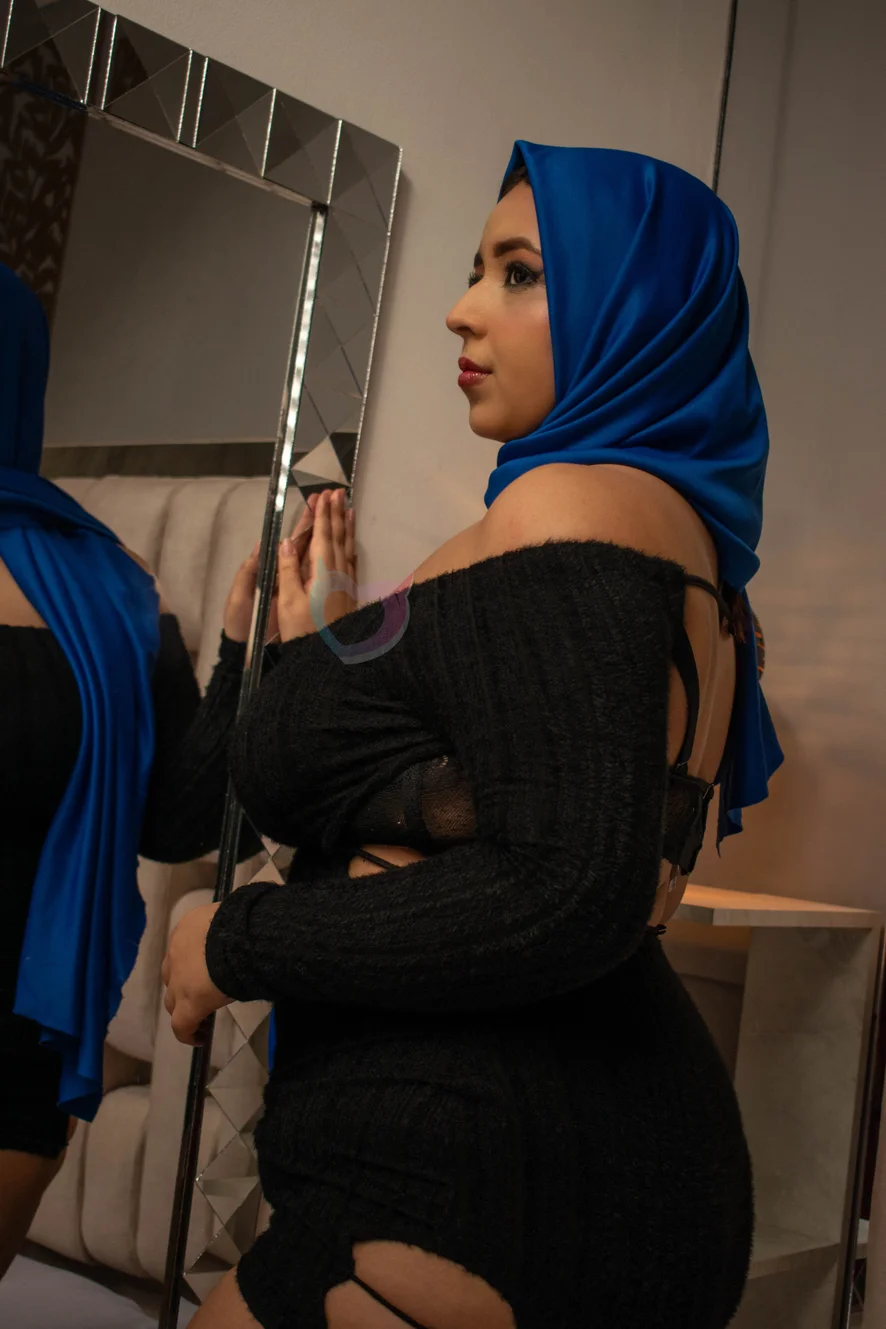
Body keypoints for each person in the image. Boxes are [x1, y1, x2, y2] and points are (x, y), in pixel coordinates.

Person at [162, 141, 784, 1329]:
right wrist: (323, 641)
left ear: (634, 306)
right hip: (553, 1145)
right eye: (474, 270)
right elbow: (481, 785)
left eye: (520, 273)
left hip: (467, 1159)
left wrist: (234, 939)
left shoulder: (569, 508)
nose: (462, 309)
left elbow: (566, 885)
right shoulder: (665, 546)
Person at [0, 260, 342, 1278]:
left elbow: (176, 823)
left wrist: (243, 653)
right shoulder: (107, 587)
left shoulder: (111, 588)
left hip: (13, 1050)